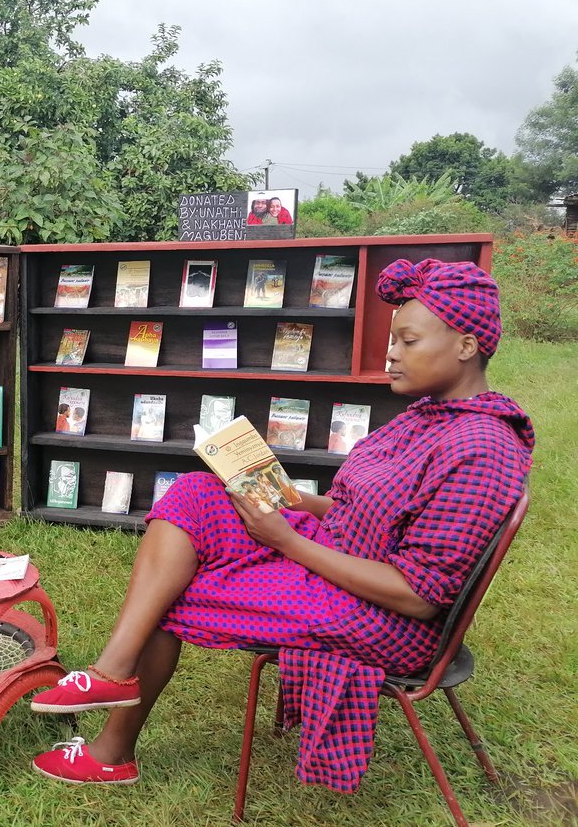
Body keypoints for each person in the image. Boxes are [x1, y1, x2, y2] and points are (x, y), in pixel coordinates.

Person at [29, 258, 533, 792]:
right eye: (393, 340)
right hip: (338, 557)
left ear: (466, 344)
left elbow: (419, 596)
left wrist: (287, 540)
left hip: (386, 620)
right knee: (197, 491)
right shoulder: (428, 416)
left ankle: (112, 744)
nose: (390, 353)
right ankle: (115, 668)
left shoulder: (481, 448)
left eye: (408, 341)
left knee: (167, 594)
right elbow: (357, 509)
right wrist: (288, 497)